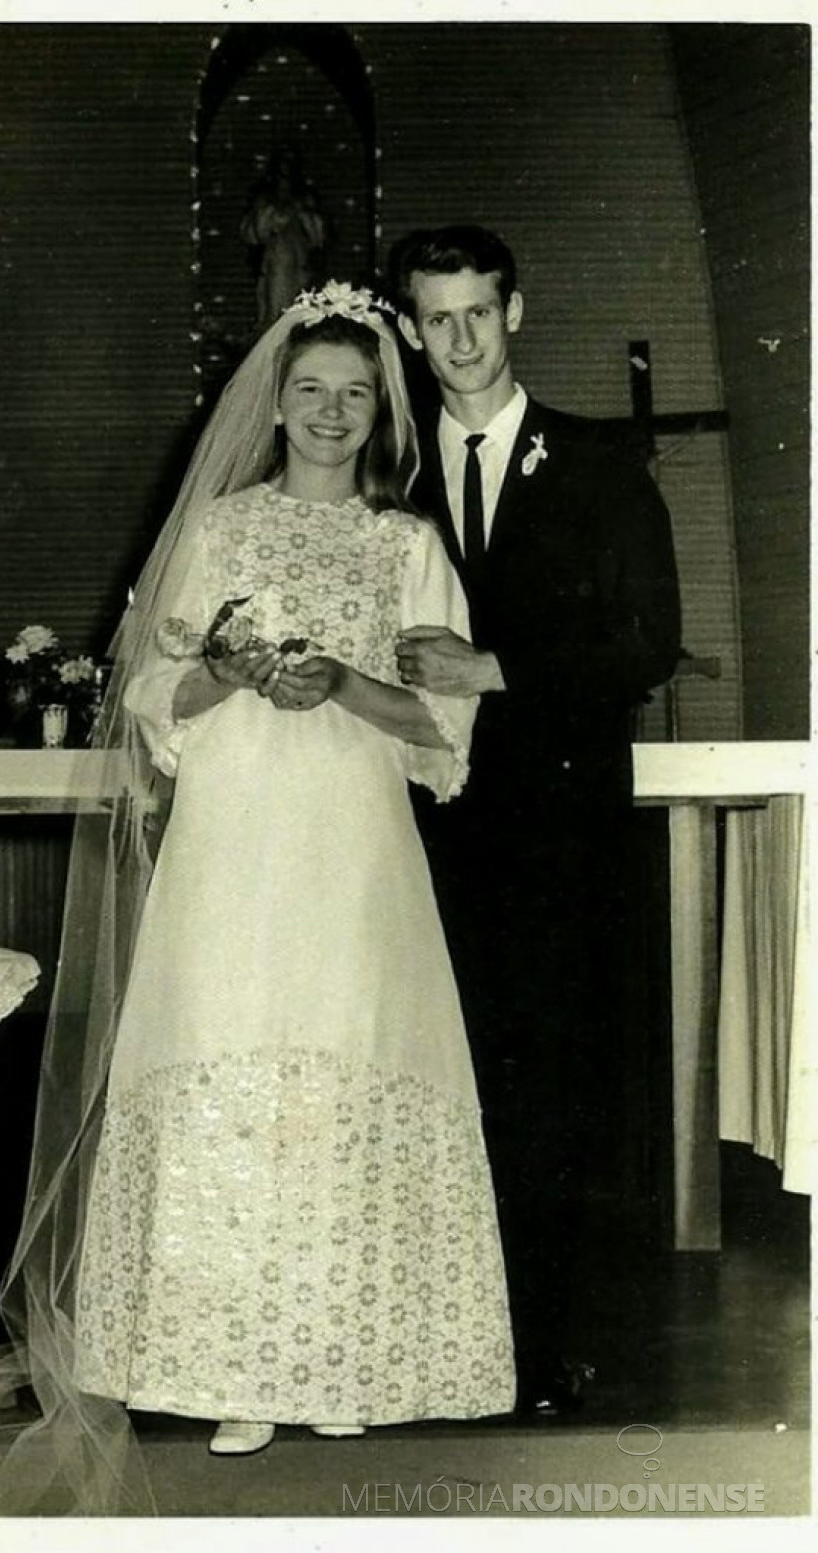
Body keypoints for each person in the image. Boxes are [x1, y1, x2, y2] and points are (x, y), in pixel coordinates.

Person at [0, 279, 513, 1504]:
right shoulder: (217, 533)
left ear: (379, 412)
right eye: (311, 391)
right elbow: (151, 710)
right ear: (273, 401)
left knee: (341, 1060)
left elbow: (445, 731)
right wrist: (224, 672)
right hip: (233, 846)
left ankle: (339, 1356)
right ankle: (233, 1366)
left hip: (353, 850)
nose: (331, 414)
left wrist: (338, 679)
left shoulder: (405, 547)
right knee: (232, 1056)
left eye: (354, 396)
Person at [388, 225, 682, 1418]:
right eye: (434, 318)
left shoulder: (601, 464)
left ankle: (540, 1345)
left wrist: (491, 668)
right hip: (416, 831)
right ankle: (430, 1341)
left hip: (557, 838)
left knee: (548, 1091)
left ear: (514, 311)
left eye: (477, 312)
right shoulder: (388, 475)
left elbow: (643, 643)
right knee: (425, 1084)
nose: (457, 339)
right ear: (407, 327)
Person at [240, 146, 327, 332]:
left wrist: (302, 214)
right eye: (282, 164)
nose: (285, 169)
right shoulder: (265, 198)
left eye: (290, 164)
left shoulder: (305, 198)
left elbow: (318, 235)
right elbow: (255, 232)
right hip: (276, 260)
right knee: (275, 308)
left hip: (300, 261)